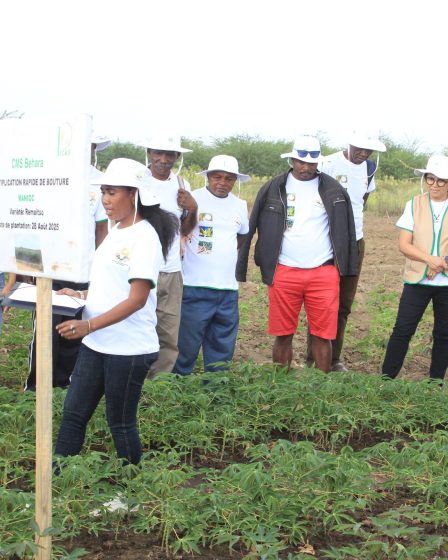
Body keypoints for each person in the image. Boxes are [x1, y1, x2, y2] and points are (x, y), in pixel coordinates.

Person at [54, 158, 178, 465]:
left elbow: (136, 299)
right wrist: (80, 294)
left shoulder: (145, 237)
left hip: (128, 349)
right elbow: (110, 285)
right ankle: (58, 478)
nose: (105, 200)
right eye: (103, 193)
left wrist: (88, 325)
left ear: (134, 194)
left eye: (112, 192)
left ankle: (129, 487)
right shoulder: (117, 230)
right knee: (73, 414)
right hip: (97, 344)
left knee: (120, 423)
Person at [236, 135, 358, 373]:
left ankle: (319, 383)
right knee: (283, 334)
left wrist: (346, 267)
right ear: (292, 160)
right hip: (283, 270)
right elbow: (253, 226)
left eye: (311, 163)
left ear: (318, 163)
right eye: (301, 162)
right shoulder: (273, 188)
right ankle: (281, 382)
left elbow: (348, 230)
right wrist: (247, 265)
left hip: (323, 272)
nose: (306, 167)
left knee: (322, 335)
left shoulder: (333, 189)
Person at [25, 135, 111, 391]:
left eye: (90, 146)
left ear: (94, 149)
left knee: (73, 330)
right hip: (50, 267)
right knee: (46, 328)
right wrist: (31, 263)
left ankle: (64, 385)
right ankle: (37, 387)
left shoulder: (100, 182)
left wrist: (99, 267)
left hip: (83, 268)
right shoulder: (51, 174)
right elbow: (35, 219)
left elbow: (101, 229)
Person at [306, 130, 387, 372]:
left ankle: (334, 359)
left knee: (343, 305)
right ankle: (313, 359)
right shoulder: (327, 164)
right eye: (359, 148)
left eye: (368, 149)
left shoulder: (369, 168)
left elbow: (362, 201)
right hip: (327, 242)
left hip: (355, 243)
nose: (363, 153)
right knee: (321, 302)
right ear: (349, 144)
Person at [173, 155, 250, 375]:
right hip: (194, 285)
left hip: (227, 289)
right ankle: (178, 388)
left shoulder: (240, 205)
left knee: (222, 346)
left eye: (228, 178)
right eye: (217, 177)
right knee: (186, 345)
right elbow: (182, 231)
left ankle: (215, 388)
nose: (222, 182)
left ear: (235, 180)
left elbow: (241, 237)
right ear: (208, 177)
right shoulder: (192, 199)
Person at [382, 154, 448, 382]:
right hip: (417, 280)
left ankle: (435, 382)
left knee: (444, 334)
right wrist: (430, 260)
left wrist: (441, 264)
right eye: (430, 178)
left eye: (441, 180)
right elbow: (404, 245)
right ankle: (386, 379)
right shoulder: (414, 204)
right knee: (403, 329)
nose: (434, 185)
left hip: (446, 283)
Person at [139, 135, 198, 375]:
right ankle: (134, 378)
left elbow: (185, 230)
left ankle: (158, 384)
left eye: (170, 154)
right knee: (137, 325)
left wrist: (192, 208)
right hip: (140, 268)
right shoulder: (137, 181)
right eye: (158, 153)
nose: (163, 159)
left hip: (171, 269)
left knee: (167, 331)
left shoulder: (182, 185)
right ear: (149, 153)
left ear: (177, 157)